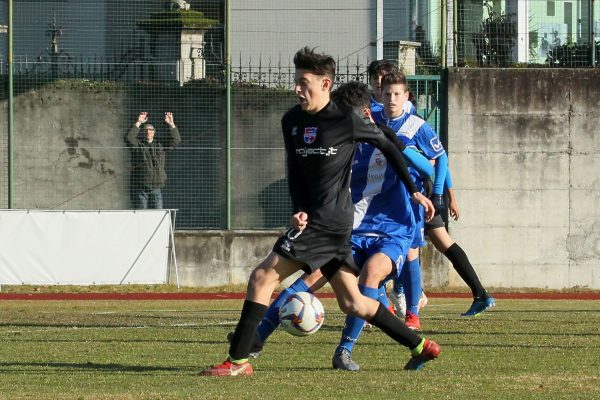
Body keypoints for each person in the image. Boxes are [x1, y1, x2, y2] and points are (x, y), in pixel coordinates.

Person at [199, 47, 440, 377]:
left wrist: (413, 189)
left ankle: (238, 361)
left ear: (326, 84)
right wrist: (298, 208)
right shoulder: (292, 121)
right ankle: (420, 346)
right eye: (296, 81)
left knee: (262, 277)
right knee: (353, 302)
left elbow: (388, 145)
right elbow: (295, 172)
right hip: (323, 223)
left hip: (328, 224)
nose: (298, 88)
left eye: (304, 82)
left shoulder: (345, 121)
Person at [376, 72, 495, 319]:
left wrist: (443, 194)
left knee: (411, 251)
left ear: (405, 95)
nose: (391, 98)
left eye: (396, 93)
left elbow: (439, 159)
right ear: (378, 91)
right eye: (386, 92)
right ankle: (478, 294)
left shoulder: (415, 124)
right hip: (383, 199)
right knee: (430, 246)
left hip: (417, 197)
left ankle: (407, 307)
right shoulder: (373, 118)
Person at [125, 112, 181, 209]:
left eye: (151, 130)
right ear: (142, 132)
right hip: (141, 188)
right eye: (146, 130)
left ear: (154, 132)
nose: (148, 132)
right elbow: (129, 138)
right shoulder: (138, 145)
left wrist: (171, 124)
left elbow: (176, 140)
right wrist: (139, 122)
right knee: (142, 216)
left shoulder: (160, 144)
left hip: (157, 188)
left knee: (157, 215)